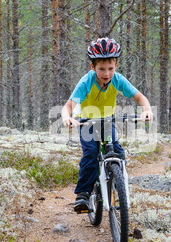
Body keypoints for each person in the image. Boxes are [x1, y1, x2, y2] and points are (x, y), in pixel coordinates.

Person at [62, 37, 153, 213]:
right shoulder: (86, 81)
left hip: (107, 121)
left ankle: (119, 186)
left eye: (110, 68)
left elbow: (140, 98)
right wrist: (67, 118)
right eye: (101, 69)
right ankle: (83, 193)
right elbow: (68, 106)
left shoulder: (118, 80)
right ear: (93, 67)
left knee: (118, 152)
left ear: (116, 66)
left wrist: (146, 110)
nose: (106, 74)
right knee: (91, 154)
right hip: (87, 122)